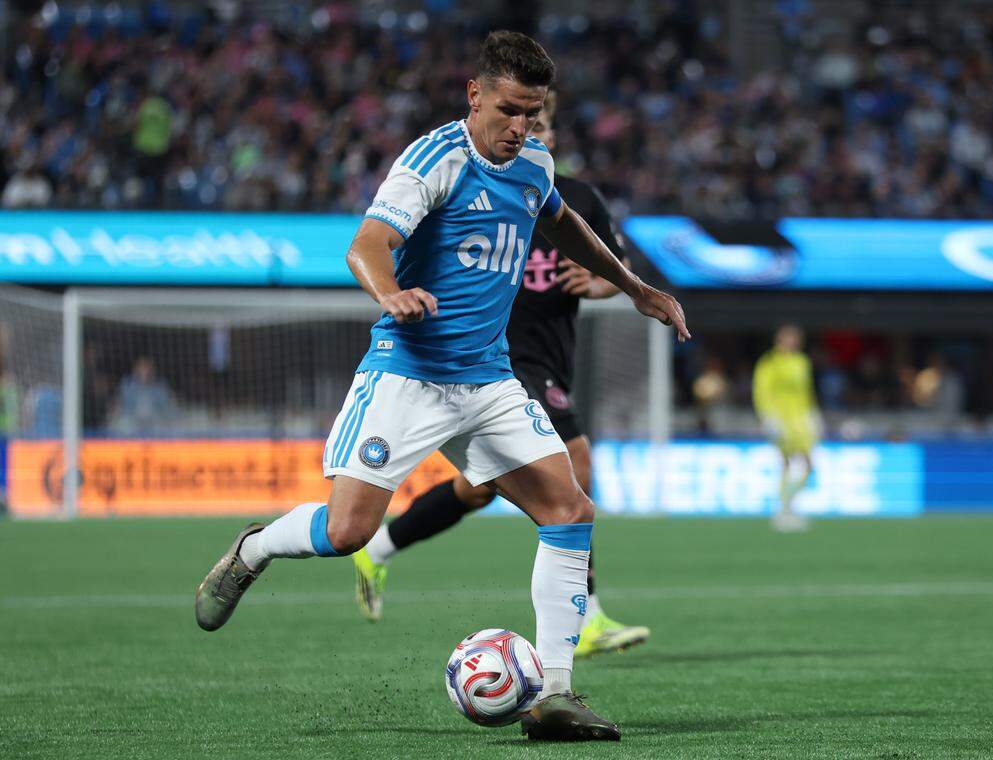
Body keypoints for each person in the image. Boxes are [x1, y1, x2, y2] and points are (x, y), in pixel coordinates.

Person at [194, 31, 688, 742]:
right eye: (509, 110)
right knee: (347, 531)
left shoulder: (535, 164)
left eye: (533, 113)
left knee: (569, 508)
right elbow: (366, 244)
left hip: (488, 380)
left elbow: (562, 221)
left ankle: (554, 695)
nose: (520, 127)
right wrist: (390, 293)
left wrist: (634, 285)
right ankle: (254, 549)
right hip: (408, 374)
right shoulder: (435, 159)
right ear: (475, 95)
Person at [351, 90, 649, 659]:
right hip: (503, 357)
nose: (531, 136)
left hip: (553, 353)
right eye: (522, 124)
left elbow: (616, 266)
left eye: (540, 127)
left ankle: (380, 547)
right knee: (577, 462)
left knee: (478, 489)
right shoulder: (484, 185)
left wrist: (599, 284)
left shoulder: (574, 198)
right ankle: (585, 617)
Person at [753, 325, 821, 532]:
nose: (792, 342)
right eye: (787, 338)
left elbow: (807, 391)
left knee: (808, 465)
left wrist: (814, 414)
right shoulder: (770, 363)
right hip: (781, 421)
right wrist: (767, 418)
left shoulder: (802, 362)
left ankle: (788, 504)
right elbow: (761, 391)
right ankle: (784, 511)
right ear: (779, 340)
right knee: (785, 464)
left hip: (801, 422)